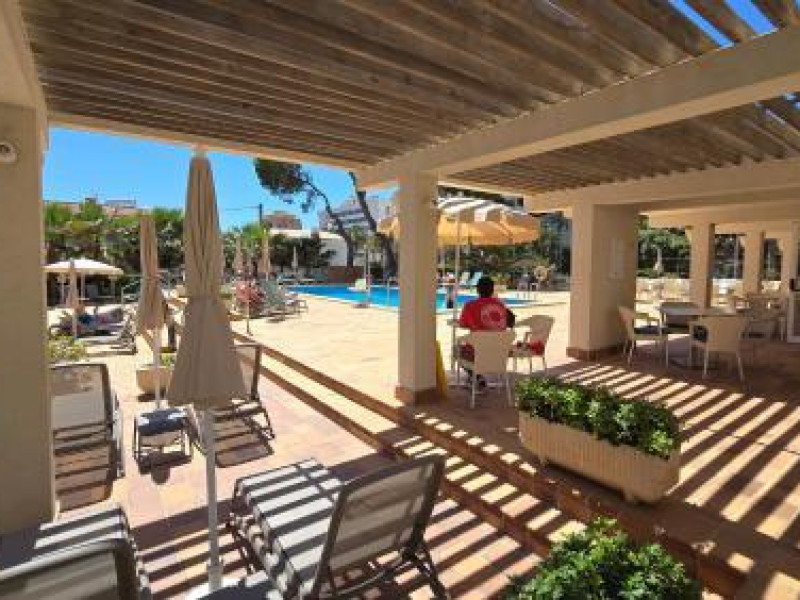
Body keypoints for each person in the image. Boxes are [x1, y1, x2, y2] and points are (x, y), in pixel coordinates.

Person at [457, 276, 515, 389]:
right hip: (500, 352)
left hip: (477, 353)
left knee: (457, 349)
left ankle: (476, 377)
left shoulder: (470, 306)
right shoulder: (501, 305)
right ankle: (476, 378)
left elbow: (463, 324)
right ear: (492, 290)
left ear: (477, 290)